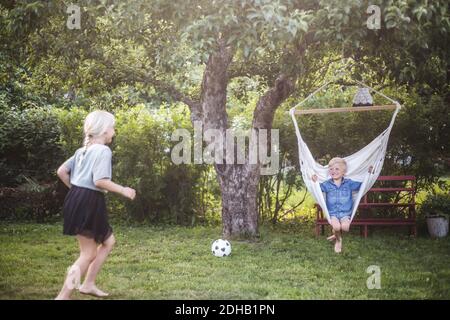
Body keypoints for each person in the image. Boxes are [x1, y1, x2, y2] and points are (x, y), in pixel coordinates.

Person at [55, 110, 136, 299]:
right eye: (113, 127)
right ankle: (63, 296)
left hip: (79, 198)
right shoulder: (103, 150)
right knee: (87, 253)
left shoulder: (82, 150)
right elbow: (100, 181)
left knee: (108, 242)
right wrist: (123, 190)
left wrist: (76, 189)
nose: (114, 132)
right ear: (104, 130)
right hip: (88, 201)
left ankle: (88, 284)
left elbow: (61, 171)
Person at [312, 157, 372, 253]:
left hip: (345, 213)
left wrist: (369, 174)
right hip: (333, 213)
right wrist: (314, 181)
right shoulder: (327, 184)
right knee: (336, 227)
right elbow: (317, 189)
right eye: (331, 169)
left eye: (337, 169)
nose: (333, 171)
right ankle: (338, 241)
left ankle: (335, 235)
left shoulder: (349, 183)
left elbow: (363, 185)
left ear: (343, 172)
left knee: (345, 228)